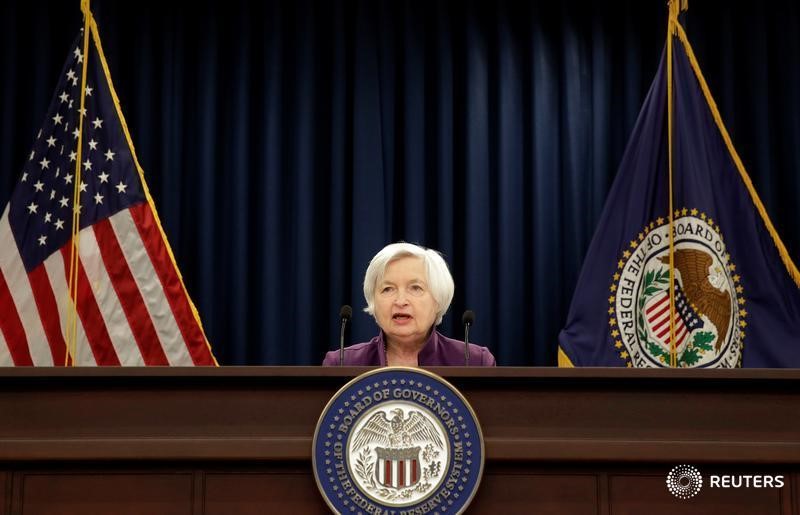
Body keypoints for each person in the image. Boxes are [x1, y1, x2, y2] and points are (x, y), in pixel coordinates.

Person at [323, 242, 496, 367]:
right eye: (388, 289)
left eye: (415, 288)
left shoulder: (474, 362)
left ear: (438, 299)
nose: (400, 301)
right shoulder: (342, 364)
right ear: (373, 301)